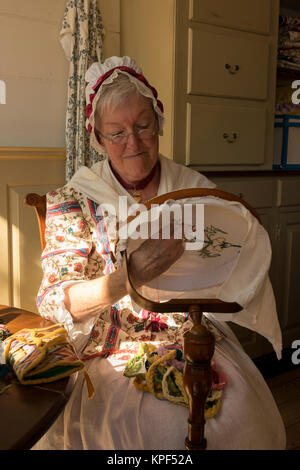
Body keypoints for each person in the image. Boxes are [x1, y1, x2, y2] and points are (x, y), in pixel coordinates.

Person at [32, 56, 286, 450]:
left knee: (237, 416)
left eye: (142, 126)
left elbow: (234, 268)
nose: (132, 143)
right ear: (97, 138)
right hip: (109, 343)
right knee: (157, 432)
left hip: (192, 333)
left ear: (159, 123)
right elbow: (54, 302)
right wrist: (129, 276)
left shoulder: (195, 190)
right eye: (116, 133)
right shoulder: (74, 200)